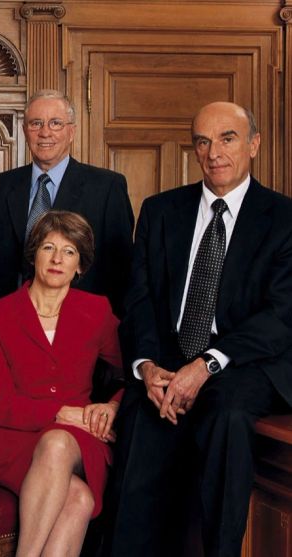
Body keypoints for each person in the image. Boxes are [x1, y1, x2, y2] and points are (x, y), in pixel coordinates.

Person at [108, 101, 292, 557]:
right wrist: (147, 365)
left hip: (245, 361)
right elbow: (140, 300)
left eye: (227, 138)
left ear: (253, 144)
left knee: (227, 415)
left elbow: (281, 314)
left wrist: (208, 364)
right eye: (203, 142)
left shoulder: (284, 218)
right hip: (167, 357)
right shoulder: (161, 210)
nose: (215, 152)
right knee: (138, 418)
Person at [0, 211, 123, 557]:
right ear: (34, 254)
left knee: (57, 444)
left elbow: (128, 375)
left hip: (79, 438)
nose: (57, 259)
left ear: (80, 266)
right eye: (48, 247)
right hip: (10, 436)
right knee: (78, 497)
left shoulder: (96, 311)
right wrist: (65, 413)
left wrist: (112, 406)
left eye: (69, 252)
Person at [0, 89, 134, 315]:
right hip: (8, 323)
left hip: (79, 325)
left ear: (71, 132)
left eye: (55, 123)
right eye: (36, 123)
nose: (45, 132)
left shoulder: (107, 188)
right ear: (24, 131)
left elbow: (121, 273)